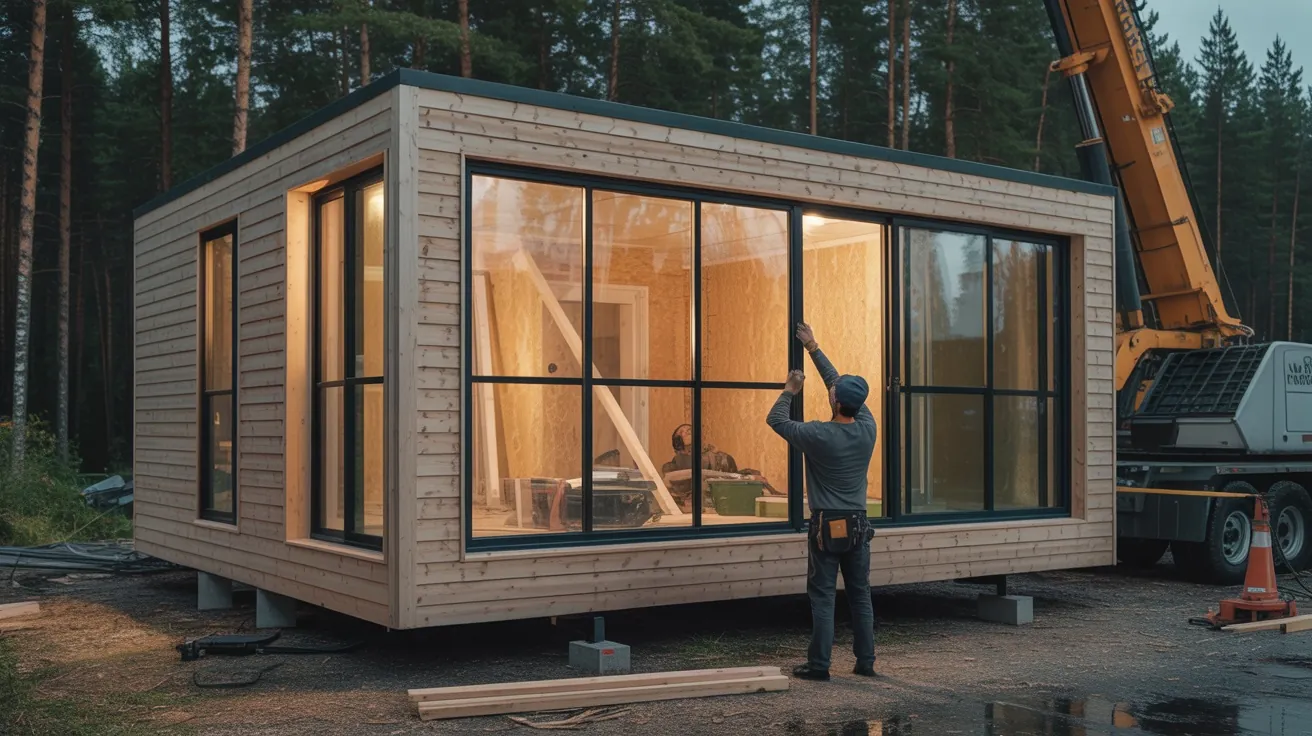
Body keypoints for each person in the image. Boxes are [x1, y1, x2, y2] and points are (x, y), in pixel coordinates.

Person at [766, 322, 877, 681]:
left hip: (827, 525)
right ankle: (866, 663)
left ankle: (819, 666)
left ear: (834, 400)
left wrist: (789, 390)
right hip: (858, 525)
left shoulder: (817, 434)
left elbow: (776, 419)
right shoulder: (867, 427)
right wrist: (813, 347)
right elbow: (839, 386)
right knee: (860, 595)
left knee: (823, 597)